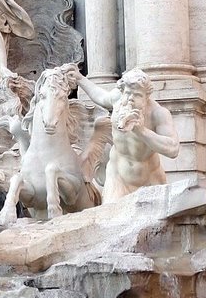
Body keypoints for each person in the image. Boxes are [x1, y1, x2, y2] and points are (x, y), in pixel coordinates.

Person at [69, 67, 180, 202]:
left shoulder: (158, 113)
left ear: (146, 96)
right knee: (111, 219)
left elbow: (173, 149)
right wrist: (80, 78)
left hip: (150, 179)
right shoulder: (118, 98)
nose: (130, 99)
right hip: (118, 177)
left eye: (137, 95)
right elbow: (100, 97)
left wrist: (142, 131)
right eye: (128, 93)